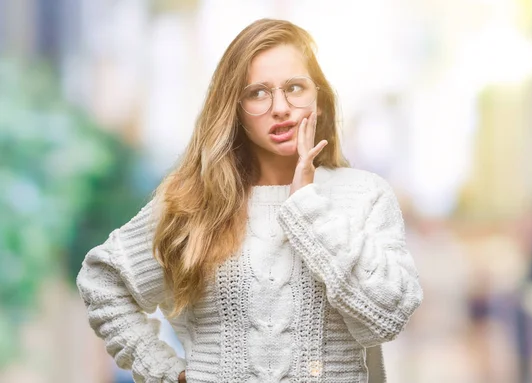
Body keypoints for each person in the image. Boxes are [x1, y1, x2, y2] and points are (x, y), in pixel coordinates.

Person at [76, 18, 423, 383]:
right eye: (258, 92)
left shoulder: (365, 194)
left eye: (295, 87)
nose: (280, 107)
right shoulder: (197, 201)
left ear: (318, 99)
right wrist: (166, 372)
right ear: (236, 110)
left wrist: (307, 203)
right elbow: (103, 281)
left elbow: (388, 316)